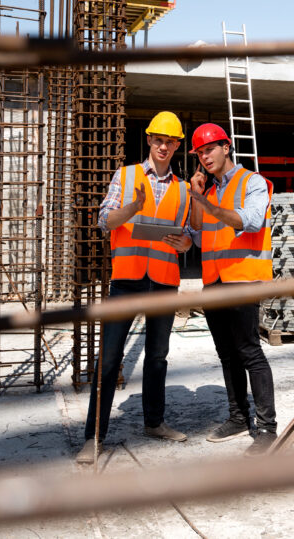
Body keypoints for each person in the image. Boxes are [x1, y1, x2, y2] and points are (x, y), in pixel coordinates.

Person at [76, 111, 194, 464]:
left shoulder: (184, 188)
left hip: (163, 281)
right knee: (109, 358)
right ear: (148, 140)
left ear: (177, 146)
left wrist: (184, 244)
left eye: (170, 141)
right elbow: (104, 220)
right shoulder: (125, 177)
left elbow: (189, 237)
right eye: (158, 139)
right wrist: (134, 208)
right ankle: (93, 437)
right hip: (126, 280)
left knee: (157, 357)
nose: (163, 146)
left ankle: (154, 423)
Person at [187, 123, 278, 455]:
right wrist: (197, 199)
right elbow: (197, 234)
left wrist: (209, 206)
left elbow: (251, 221)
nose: (205, 156)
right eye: (199, 152)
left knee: (249, 353)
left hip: (242, 280)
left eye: (209, 149)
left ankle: (267, 428)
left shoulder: (252, 182)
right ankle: (238, 419)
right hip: (214, 283)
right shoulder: (209, 193)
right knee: (227, 355)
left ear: (226, 147)